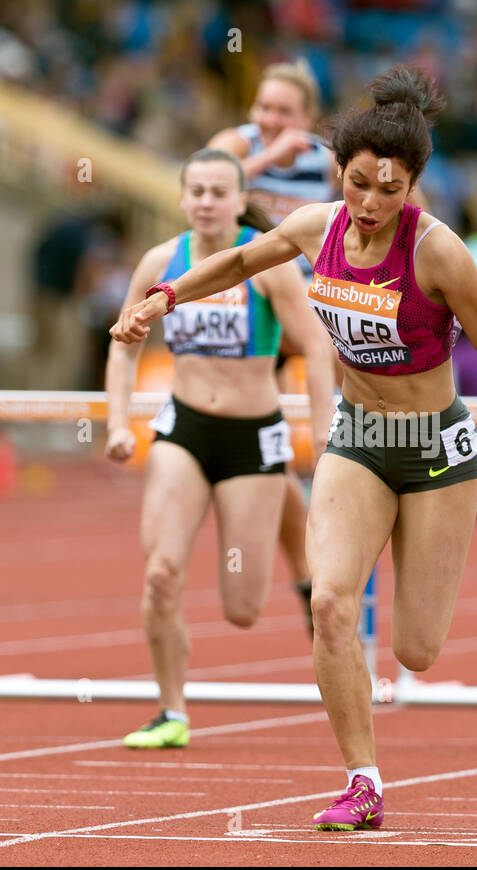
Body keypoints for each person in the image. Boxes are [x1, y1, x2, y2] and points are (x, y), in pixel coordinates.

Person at [112, 65, 477, 831]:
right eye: (357, 185)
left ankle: (391, 636)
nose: (372, 204)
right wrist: (166, 296)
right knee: (329, 601)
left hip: (440, 453)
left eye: (390, 190)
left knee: (416, 651)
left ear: (412, 185)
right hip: (357, 441)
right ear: (339, 173)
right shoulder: (319, 228)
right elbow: (245, 258)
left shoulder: (438, 253)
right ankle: (363, 780)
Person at [104, 148, 334, 748]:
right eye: (196, 191)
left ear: (239, 200)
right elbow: (124, 341)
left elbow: (314, 346)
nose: (205, 202)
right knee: (160, 573)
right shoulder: (161, 262)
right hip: (183, 431)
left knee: (242, 608)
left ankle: (293, 526)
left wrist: (327, 431)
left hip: (252, 438)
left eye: (217, 192)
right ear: (182, 199)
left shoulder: (266, 265)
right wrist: (117, 422)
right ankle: (171, 711)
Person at [206, 60, 340, 635]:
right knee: (271, 460)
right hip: (243, 308)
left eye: (284, 112)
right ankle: (310, 574)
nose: (270, 119)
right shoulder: (239, 144)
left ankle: (338, 459)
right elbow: (205, 182)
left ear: (308, 117)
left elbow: (390, 195)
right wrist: (266, 155)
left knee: (287, 454)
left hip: (304, 312)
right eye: (263, 107)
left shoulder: (325, 157)